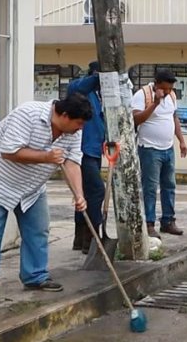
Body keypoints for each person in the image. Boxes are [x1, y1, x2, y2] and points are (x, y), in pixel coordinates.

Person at [0, 94, 91, 302]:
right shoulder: (28, 114)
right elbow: (9, 151)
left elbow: (72, 162)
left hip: (32, 187)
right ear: (64, 115)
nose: (80, 129)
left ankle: (35, 276)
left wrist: (78, 194)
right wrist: (46, 156)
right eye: (78, 123)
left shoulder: (73, 131)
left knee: (38, 230)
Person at [131, 68, 187, 238]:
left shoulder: (171, 96)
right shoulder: (142, 94)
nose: (168, 91)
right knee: (150, 187)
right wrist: (155, 102)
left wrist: (182, 141)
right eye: (165, 88)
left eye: (170, 88)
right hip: (149, 149)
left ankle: (168, 221)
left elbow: (174, 118)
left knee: (169, 185)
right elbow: (135, 119)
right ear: (156, 84)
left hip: (168, 148)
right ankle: (149, 223)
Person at [66, 61, 106, 254]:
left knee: (85, 193)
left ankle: (80, 238)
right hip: (82, 151)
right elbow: (79, 87)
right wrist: (100, 76)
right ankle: (92, 235)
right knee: (97, 191)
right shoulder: (80, 88)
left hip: (96, 149)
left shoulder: (101, 96)